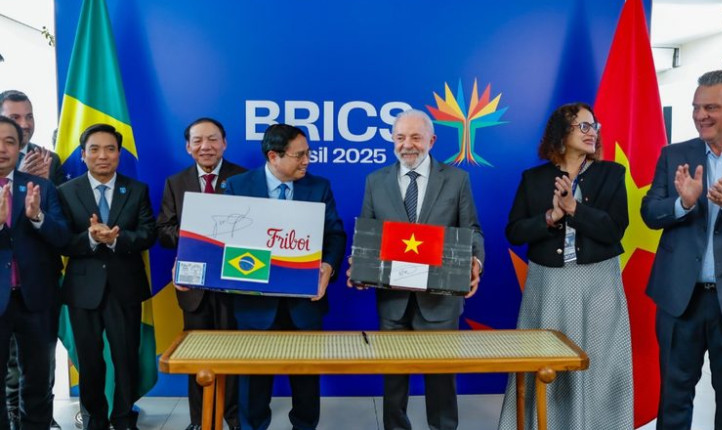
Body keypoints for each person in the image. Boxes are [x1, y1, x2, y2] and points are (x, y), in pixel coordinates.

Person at [497, 102, 633, 429]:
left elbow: (615, 229)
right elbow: (514, 232)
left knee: (599, 363)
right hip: (548, 285)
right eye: (582, 126)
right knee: (547, 362)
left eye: (594, 126)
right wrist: (551, 216)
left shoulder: (611, 174)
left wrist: (575, 210)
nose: (592, 132)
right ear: (561, 133)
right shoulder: (533, 179)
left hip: (599, 284)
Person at [349, 109, 484, 430]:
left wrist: (475, 261)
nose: (407, 145)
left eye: (415, 137)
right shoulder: (375, 181)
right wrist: (360, 266)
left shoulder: (457, 179)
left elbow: (473, 230)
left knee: (441, 378)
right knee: (393, 378)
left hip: (441, 300)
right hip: (392, 300)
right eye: (400, 137)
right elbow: (368, 234)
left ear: (431, 140)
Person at [642, 70, 722, 430]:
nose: (700, 115)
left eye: (711, 107)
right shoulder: (674, 154)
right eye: (696, 107)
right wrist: (683, 204)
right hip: (679, 301)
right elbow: (649, 213)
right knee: (673, 402)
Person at [223, 124, 346, 430]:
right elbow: (222, 240)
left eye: (308, 153)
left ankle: (304, 426)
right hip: (254, 306)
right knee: (252, 383)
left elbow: (335, 235)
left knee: (306, 382)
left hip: (304, 303)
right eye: (299, 155)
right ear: (273, 156)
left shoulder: (319, 187)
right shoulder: (237, 186)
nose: (307, 161)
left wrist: (328, 267)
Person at [57, 123, 156, 430]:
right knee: (89, 361)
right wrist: (90, 238)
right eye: (95, 149)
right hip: (83, 290)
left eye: (110, 149)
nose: (103, 155)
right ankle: (94, 419)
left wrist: (115, 239)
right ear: (83, 154)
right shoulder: (66, 192)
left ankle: (124, 418)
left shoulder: (136, 190)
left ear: (119, 154)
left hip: (124, 287)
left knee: (125, 358)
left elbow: (148, 234)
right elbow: (61, 241)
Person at [156, 117, 246, 430]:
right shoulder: (176, 182)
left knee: (232, 353)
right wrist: (195, 237)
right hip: (193, 286)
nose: (205, 146)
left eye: (212, 139)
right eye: (198, 141)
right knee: (197, 353)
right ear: (188, 147)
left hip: (233, 281)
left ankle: (234, 417)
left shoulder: (243, 178)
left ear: (224, 143)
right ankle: (200, 419)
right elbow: (164, 230)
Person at [0, 115, 71, 430]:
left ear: (20, 147)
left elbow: (63, 237)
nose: (2, 149)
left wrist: (37, 216)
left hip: (37, 299)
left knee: (38, 381)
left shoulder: (41, 187)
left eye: (9, 142)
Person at [0, 90, 65, 185]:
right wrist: (20, 178)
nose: (25, 125)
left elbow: (59, 194)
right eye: (15, 117)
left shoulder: (50, 160)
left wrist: (45, 184)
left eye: (29, 117)